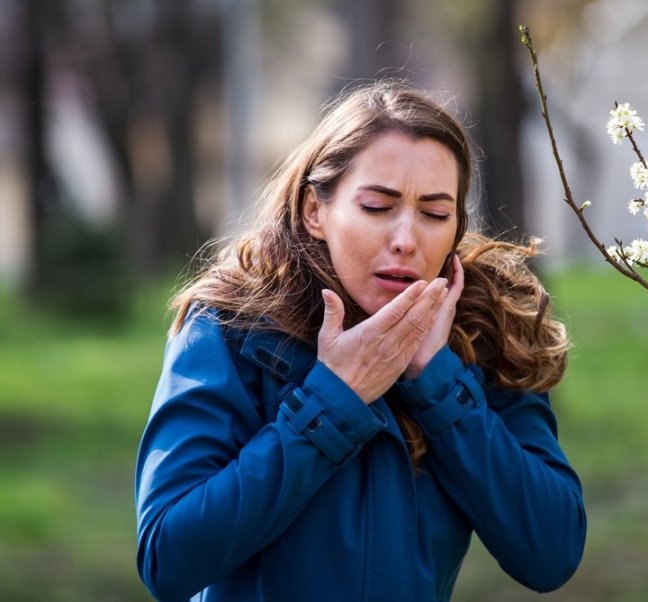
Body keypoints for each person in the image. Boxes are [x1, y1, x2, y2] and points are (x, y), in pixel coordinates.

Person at [135, 81, 586, 602]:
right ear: (314, 211)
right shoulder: (231, 329)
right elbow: (167, 557)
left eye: (435, 214)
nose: (406, 239)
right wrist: (333, 399)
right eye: (377, 206)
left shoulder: (481, 334)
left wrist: (436, 380)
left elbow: (552, 553)